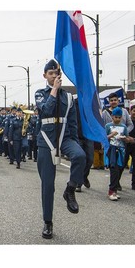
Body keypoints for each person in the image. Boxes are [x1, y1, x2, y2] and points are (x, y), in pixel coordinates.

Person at [34, 59, 85, 239]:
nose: (55, 76)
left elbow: (72, 123)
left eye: (57, 74)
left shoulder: (69, 97)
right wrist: (54, 90)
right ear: (45, 76)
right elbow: (46, 111)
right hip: (47, 140)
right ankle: (48, 222)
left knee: (80, 156)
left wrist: (74, 143)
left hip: (65, 137)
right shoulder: (40, 93)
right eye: (51, 74)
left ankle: (70, 189)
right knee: (48, 185)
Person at [102, 92, 134, 191]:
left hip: (122, 144)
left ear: (118, 101)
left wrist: (123, 133)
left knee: (121, 165)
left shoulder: (124, 111)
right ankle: (113, 187)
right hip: (110, 144)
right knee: (113, 166)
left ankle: (116, 182)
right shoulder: (105, 113)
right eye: (111, 100)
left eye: (115, 100)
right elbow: (102, 129)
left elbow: (130, 124)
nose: (113, 102)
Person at [105, 107, 130, 201]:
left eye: (119, 117)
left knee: (119, 169)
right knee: (114, 170)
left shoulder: (124, 127)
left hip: (121, 150)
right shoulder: (108, 126)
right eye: (116, 117)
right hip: (111, 150)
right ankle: (111, 190)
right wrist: (111, 135)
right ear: (112, 116)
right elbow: (104, 138)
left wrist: (126, 139)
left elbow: (127, 138)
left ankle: (114, 190)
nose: (118, 119)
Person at [74, 98, 94, 193]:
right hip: (78, 135)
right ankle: (79, 183)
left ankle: (84, 176)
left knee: (90, 159)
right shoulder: (74, 103)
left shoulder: (91, 102)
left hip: (89, 136)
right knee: (81, 159)